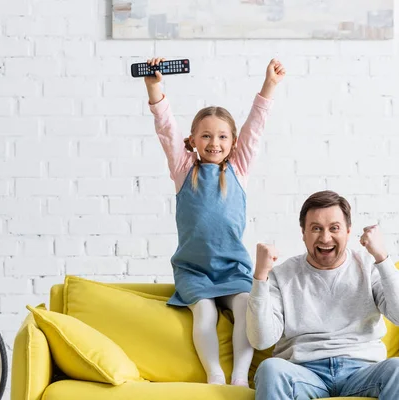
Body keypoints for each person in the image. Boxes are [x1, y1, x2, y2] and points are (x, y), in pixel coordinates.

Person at [145, 57, 286, 387]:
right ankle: (215, 374)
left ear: (233, 143)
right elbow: (166, 129)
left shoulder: (238, 169)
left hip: (233, 268)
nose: (214, 143)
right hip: (193, 270)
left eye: (222, 137)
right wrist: (155, 88)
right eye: (206, 136)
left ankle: (239, 375)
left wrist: (269, 86)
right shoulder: (184, 170)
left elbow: (256, 125)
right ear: (193, 139)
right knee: (205, 314)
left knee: (245, 309)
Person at [247, 190, 399, 399]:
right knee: (270, 369)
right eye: (316, 228)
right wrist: (260, 276)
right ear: (303, 233)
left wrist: (381, 257)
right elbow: (261, 341)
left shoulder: (369, 266)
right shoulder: (282, 275)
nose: (325, 237)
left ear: (348, 231)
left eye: (334, 228)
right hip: (304, 372)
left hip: (363, 371)